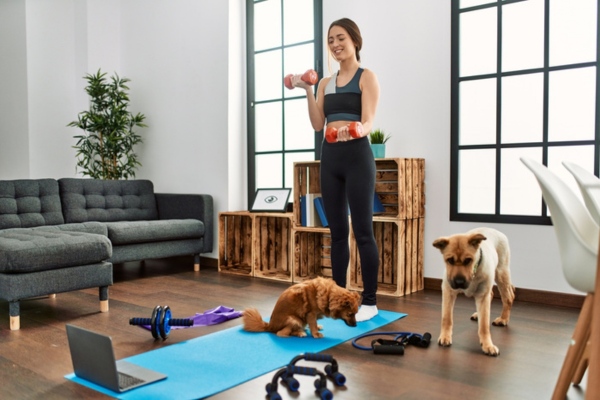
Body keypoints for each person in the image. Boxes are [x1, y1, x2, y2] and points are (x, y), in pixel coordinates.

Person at [291, 17, 380, 322]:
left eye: (340, 38)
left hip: (357, 157)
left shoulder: (367, 77)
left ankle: (370, 301)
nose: (335, 45)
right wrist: (306, 89)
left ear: (355, 40)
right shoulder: (326, 83)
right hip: (330, 158)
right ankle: (340, 298)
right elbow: (319, 124)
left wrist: (354, 130)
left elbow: (368, 122)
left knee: (364, 232)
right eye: (330, 40)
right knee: (337, 233)